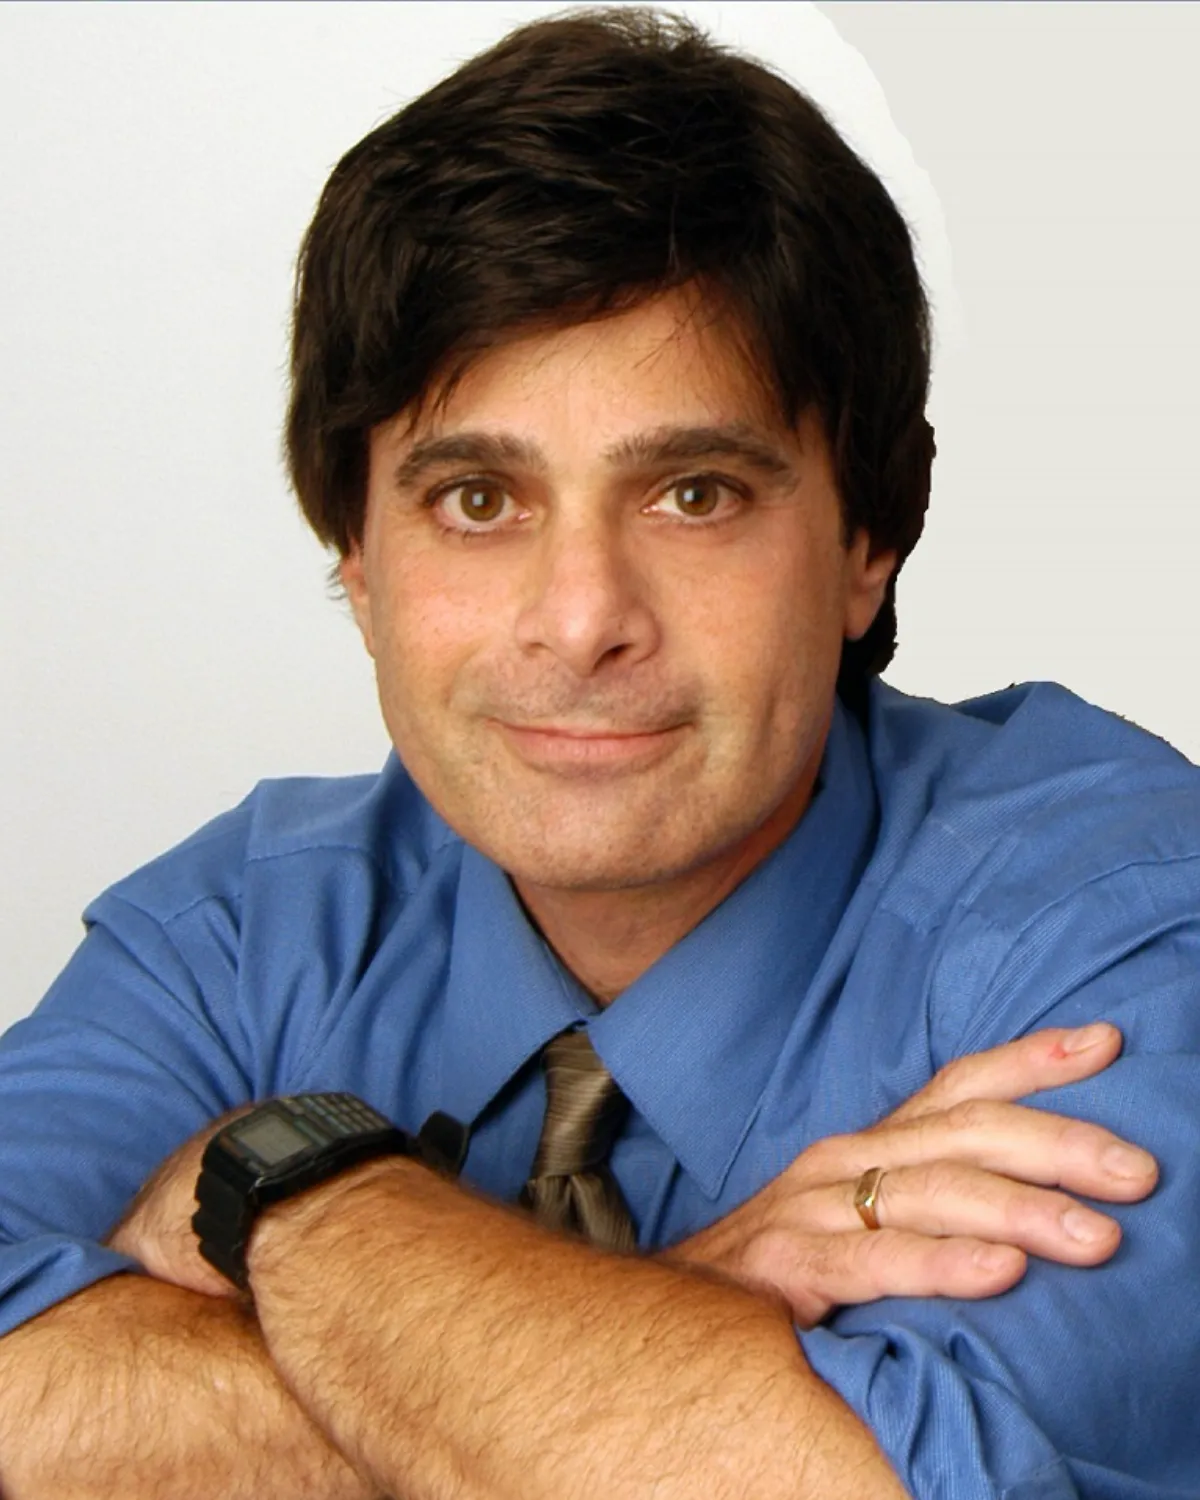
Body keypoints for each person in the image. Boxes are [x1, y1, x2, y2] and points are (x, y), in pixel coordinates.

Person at [0, 7, 1196, 1497]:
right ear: (356, 560)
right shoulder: (237, 937)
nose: (580, 624)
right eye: (477, 502)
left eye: (695, 494)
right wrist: (676, 1313)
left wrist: (293, 1194)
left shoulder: (1122, 930)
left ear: (868, 541)